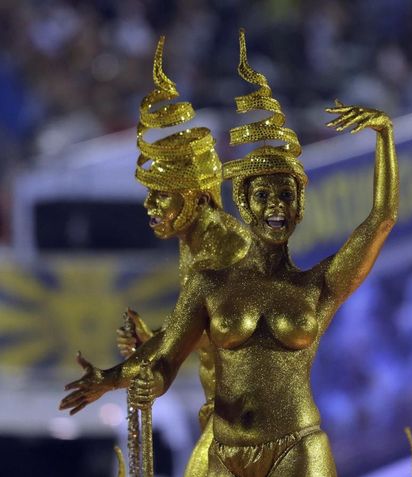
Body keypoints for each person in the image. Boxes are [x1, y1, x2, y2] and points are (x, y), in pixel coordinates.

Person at [60, 28, 398, 477]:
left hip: (297, 447)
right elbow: (164, 363)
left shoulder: (318, 285)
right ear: (242, 203)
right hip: (225, 449)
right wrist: (126, 380)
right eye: (262, 195)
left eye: (286, 194)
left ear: (300, 208)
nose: (276, 203)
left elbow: (382, 218)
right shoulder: (210, 282)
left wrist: (384, 135)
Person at [107, 36, 251, 477]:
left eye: (160, 199)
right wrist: (154, 341)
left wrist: (120, 373)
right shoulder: (194, 242)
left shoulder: (224, 249)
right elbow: (202, 328)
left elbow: (223, 330)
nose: (150, 210)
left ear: (192, 196)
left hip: (250, 421)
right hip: (221, 412)